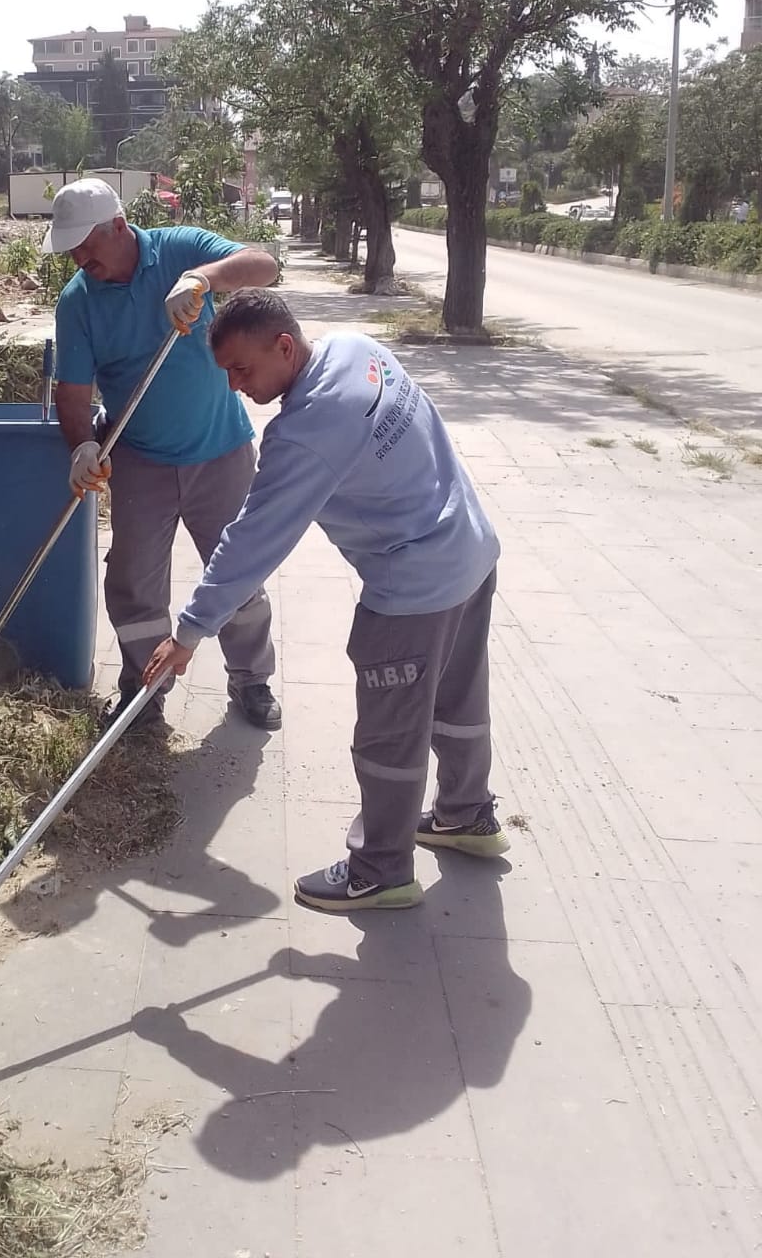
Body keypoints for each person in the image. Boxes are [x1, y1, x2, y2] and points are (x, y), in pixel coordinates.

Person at [144, 289, 509, 913]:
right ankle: (466, 814)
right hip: (470, 549)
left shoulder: (305, 431)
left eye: (243, 370)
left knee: (389, 734)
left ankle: (381, 870)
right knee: (458, 698)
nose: (234, 386)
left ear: (284, 347)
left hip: (415, 588)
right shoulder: (357, 348)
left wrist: (190, 631)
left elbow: (253, 539)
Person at [43, 178, 282, 731]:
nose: (79, 258)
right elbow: (73, 394)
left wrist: (202, 278)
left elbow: (263, 265)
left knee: (237, 574)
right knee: (133, 582)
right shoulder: (78, 301)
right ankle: (143, 690)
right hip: (141, 461)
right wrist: (80, 443)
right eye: (72, 248)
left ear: (120, 227)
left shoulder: (180, 248)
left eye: (86, 245)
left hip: (220, 452)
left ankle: (252, 679)